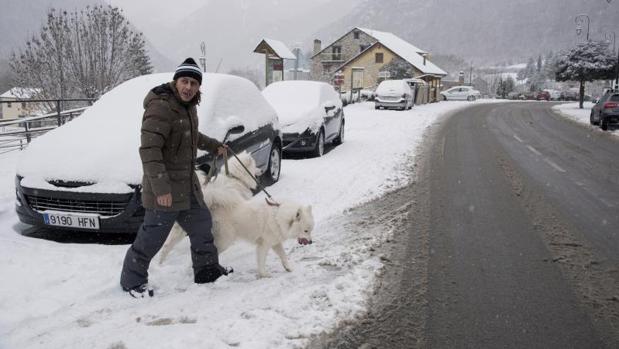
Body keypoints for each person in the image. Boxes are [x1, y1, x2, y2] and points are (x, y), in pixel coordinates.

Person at [120, 57, 230, 298]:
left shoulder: (188, 107)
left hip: (187, 187)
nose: (188, 87)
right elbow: (149, 151)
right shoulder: (160, 107)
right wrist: (161, 189)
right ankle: (132, 282)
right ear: (176, 81)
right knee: (151, 239)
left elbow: (191, 135)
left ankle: (207, 271)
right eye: (185, 81)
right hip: (166, 190)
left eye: (193, 83)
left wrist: (214, 146)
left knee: (202, 228)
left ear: (199, 87)